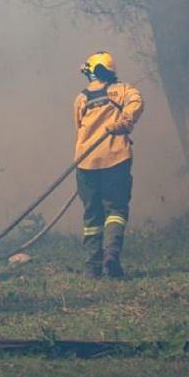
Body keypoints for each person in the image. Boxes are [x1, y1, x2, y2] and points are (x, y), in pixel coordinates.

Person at [74, 51, 143, 278]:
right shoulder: (123, 90)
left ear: (91, 72)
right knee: (116, 209)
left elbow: (79, 127)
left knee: (92, 215)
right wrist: (124, 121)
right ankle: (111, 254)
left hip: (86, 164)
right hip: (116, 159)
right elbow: (136, 102)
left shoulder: (81, 99)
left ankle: (92, 269)